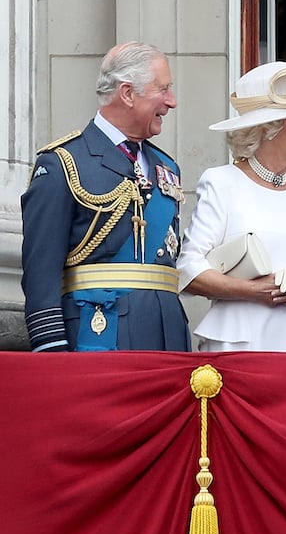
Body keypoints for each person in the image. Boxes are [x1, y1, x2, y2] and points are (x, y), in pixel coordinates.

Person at [20, 42, 189, 352]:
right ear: (127, 93)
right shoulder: (63, 163)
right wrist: (52, 352)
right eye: (163, 90)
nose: (172, 102)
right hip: (97, 334)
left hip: (166, 335)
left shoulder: (167, 167)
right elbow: (40, 273)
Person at [177, 61, 286, 352]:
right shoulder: (222, 183)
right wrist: (254, 291)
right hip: (242, 344)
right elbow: (190, 269)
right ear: (269, 127)